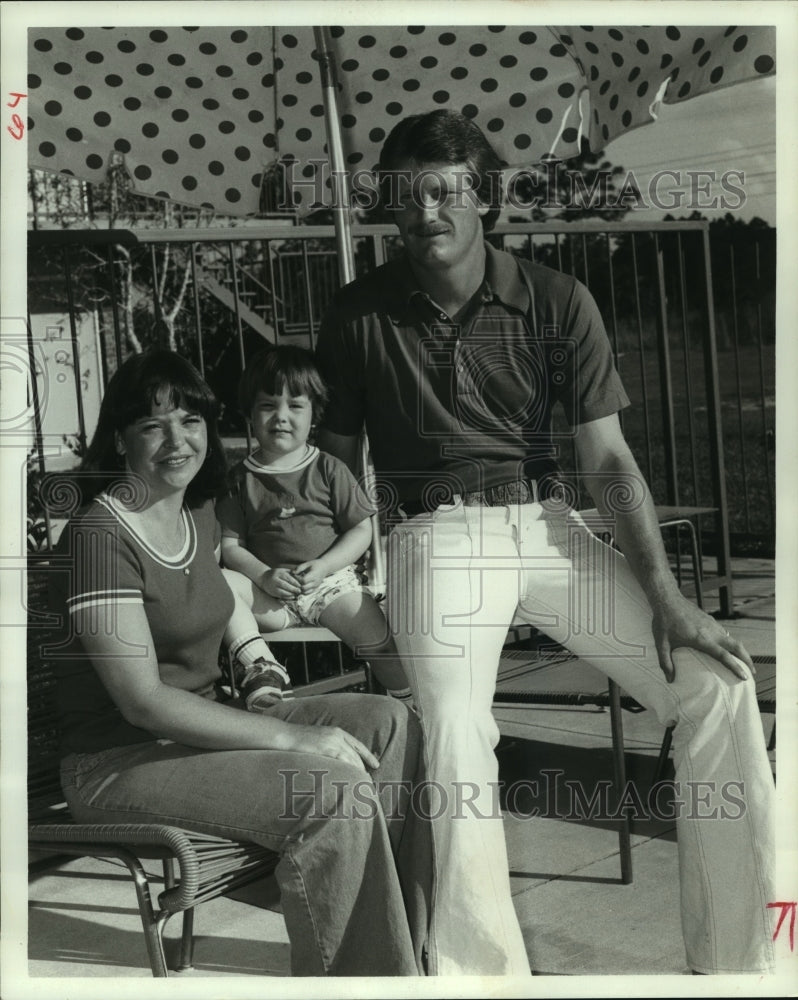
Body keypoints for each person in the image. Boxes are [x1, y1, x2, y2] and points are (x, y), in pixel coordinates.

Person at [315, 109, 775, 976]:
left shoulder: (560, 300)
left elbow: (606, 460)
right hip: (431, 536)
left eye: (445, 193)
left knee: (718, 686)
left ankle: (741, 958)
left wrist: (672, 603)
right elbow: (336, 468)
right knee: (453, 730)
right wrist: (350, 582)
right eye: (407, 197)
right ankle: (479, 977)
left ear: (483, 197)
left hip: (542, 522)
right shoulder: (355, 314)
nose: (425, 214)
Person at [49, 349, 432, 976]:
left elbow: (239, 589)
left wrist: (263, 647)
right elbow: (142, 701)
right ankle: (365, 981)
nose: (178, 439)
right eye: (153, 425)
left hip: (200, 731)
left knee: (390, 722)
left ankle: (409, 951)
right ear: (119, 440)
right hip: (117, 761)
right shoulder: (99, 537)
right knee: (327, 790)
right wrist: (292, 734)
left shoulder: (197, 514)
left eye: (191, 420)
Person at [217, 345, 410, 705]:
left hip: (332, 586)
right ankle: (261, 665)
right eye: (268, 405)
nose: (281, 416)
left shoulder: (328, 468)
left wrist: (325, 566)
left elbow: (361, 530)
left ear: (314, 414)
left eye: (295, 406)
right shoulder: (239, 479)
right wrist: (263, 576)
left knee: (379, 642)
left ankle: (412, 703)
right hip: (271, 593)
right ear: (250, 414)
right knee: (220, 584)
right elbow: (231, 547)